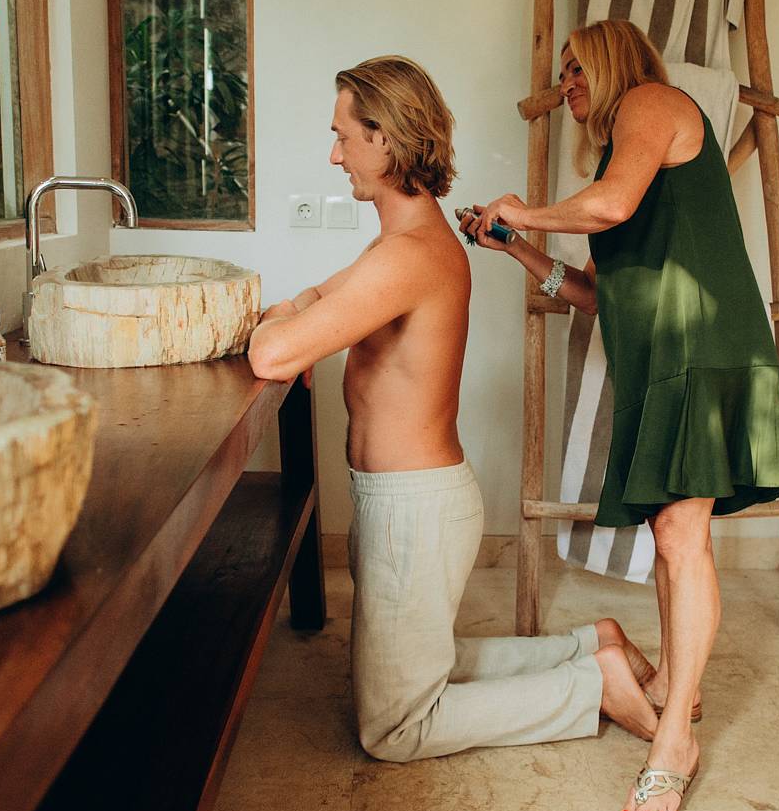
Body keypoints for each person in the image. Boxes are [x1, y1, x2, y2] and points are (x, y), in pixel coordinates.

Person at [248, 55, 659, 763]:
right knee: (417, 671)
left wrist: (281, 323)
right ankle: (592, 647)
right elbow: (307, 303)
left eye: (343, 136)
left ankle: (592, 685)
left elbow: (273, 352)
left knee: (395, 729)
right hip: (403, 502)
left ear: (384, 138)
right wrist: (292, 314)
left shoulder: (406, 256)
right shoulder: (398, 247)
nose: (335, 155)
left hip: (414, 510)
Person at [462, 19, 779, 811]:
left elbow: (611, 204)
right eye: (562, 73)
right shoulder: (626, 154)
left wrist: (526, 207)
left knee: (682, 537)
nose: (567, 85)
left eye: (576, 68)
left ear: (614, 60)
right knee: (671, 533)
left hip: (701, 349)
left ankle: (674, 740)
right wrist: (516, 245)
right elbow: (593, 292)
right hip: (665, 360)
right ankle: (672, 690)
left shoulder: (652, 103)